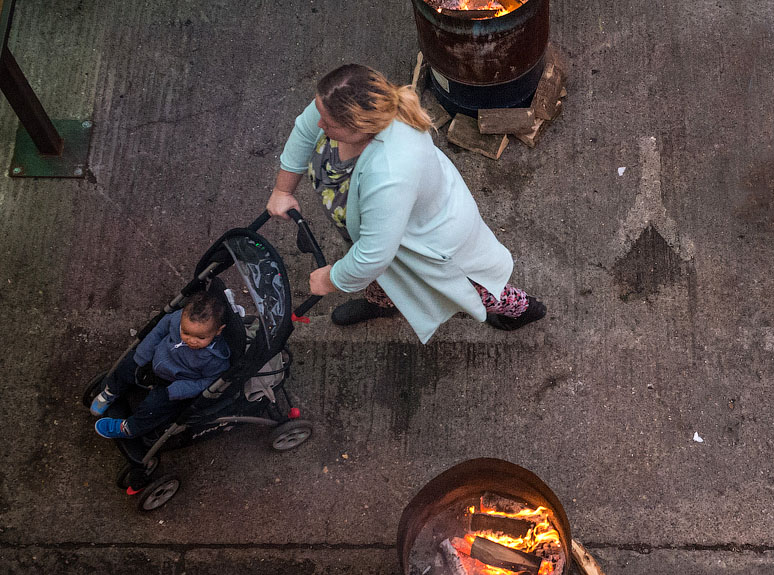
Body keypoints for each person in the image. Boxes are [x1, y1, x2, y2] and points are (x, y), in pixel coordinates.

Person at [266, 63, 545, 344]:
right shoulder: (338, 104)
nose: (319, 124)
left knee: (472, 289)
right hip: (385, 241)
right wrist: (282, 190)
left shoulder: (391, 170)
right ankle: (382, 303)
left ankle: (521, 309)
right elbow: (304, 129)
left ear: (360, 126)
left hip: (431, 246)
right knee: (381, 276)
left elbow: (373, 256)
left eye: (328, 124)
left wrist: (330, 280)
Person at [92, 290, 231, 439]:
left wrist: (178, 390)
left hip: (175, 382)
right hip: (156, 360)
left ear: (218, 331)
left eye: (201, 337)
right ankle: (112, 391)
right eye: (186, 333)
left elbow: (208, 382)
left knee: (155, 407)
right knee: (127, 365)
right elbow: (158, 331)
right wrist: (142, 355)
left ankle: (130, 428)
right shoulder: (177, 319)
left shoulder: (215, 358)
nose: (191, 340)